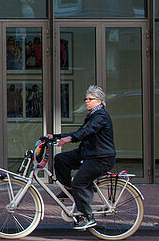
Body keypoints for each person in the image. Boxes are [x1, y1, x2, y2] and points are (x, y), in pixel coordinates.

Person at [47, 85, 115, 231]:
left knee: (80, 182)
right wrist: (56, 137)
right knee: (61, 159)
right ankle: (69, 189)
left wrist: (70, 139)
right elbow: (81, 131)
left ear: (100, 101)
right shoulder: (92, 115)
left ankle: (87, 217)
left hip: (100, 157)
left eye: (91, 99)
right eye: (86, 99)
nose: (87, 101)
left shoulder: (101, 116)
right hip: (88, 153)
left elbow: (88, 131)